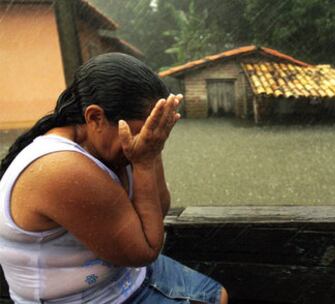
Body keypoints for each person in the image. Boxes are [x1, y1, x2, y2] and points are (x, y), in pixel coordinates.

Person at [0, 53, 228, 304]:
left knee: (218, 296)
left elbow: (158, 209)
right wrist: (144, 160)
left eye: (154, 133)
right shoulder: (62, 169)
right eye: (143, 133)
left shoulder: (113, 144)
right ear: (95, 117)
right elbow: (146, 250)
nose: (144, 142)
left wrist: (153, 149)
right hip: (87, 298)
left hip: (123, 278)